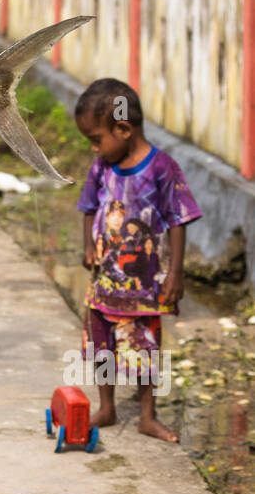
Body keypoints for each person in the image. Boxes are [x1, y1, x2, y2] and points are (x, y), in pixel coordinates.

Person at [74, 77, 202, 442]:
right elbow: (88, 209)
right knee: (102, 347)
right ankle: (107, 407)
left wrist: (175, 273)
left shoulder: (162, 169)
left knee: (145, 349)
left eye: (96, 139)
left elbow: (179, 218)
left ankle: (148, 415)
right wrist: (87, 246)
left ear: (124, 128)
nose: (94, 149)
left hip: (145, 286)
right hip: (103, 284)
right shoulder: (102, 168)